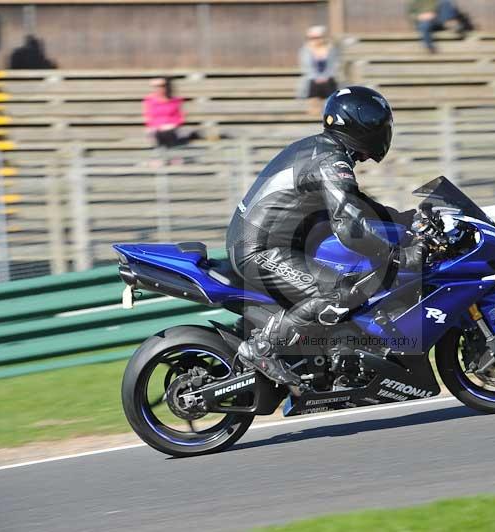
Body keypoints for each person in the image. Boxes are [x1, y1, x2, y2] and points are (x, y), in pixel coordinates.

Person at [226, 86, 429, 384]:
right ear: (363, 125)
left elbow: (356, 206)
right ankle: (261, 348)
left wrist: (403, 220)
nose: (385, 130)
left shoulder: (325, 150)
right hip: (259, 250)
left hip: (273, 243)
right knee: (340, 291)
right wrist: (398, 255)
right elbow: (349, 226)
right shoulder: (330, 161)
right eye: (380, 123)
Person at [142, 77, 198, 150]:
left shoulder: (176, 100)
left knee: (170, 135)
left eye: (161, 86)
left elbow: (180, 117)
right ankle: (171, 157)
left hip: (172, 129)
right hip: (156, 130)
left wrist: (172, 125)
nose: (158, 88)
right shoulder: (149, 100)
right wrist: (157, 127)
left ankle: (172, 157)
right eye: (155, 86)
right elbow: (148, 117)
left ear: (168, 86)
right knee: (159, 135)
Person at [297, 25, 340, 115]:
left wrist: (324, 77)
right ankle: (315, 109)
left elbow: (335, 66)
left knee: (329, 83)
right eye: (312, 38)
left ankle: (330, 109)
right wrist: (318, 77)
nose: (315, 40)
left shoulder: (332, 49)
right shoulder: (305, 51)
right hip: (312, 80)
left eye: (317, 37)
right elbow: (307, 68)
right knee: (313, 84)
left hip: (330, 79)